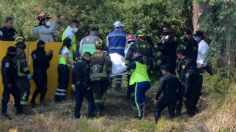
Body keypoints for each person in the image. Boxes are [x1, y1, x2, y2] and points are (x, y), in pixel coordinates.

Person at [126, 53, 151, 119]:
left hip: (140, 83)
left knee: (137, 99)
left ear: (135, 59)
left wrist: (129, 70)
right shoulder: (144, 65)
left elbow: (127, 67)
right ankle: (144, 110)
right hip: (147, 83)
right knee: (142, 97)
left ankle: (140, 115)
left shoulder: (135, 64)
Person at [90, 41, 112, 115]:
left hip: (93, 77)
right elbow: (108, 63)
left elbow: (89, 65)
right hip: (103, 77)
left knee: (97, 93)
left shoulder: (92, 55)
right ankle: (100, 107)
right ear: (102, 46)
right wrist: (109, 71)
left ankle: (97, 108)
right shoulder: (105, 54)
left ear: (95, 47)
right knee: (102, 92)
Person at [1, 46, 23, 119]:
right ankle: (3, 112)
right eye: (14, 53)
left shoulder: (11, 59)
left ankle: (19, 110)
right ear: (10, 52)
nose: (15, 54)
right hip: (8, 82)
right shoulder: (6, 60)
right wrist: (8, 82)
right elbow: (5, 72)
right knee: (6, 97)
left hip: (13, 81)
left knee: (17, 94)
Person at [30, 40, 53, 107]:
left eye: (43, 45)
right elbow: (37, 59)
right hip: (37, 73)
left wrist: (50, 54)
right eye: (42, 45)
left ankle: (42, 102)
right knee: (39, 87)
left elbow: (48, 59)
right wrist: (45, 55)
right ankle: (32, 101)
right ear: (39, 45)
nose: (43, 46)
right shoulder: (34, 52)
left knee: (45, 88)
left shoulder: (44, 52)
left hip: (43, 72)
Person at [73, 52, 95, 119]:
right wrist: (88, 85)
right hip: (84, 85)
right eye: (90, 58)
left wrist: (74, 83)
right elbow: (86, 75)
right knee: (91, 100)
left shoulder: (76, 63)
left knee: (78, 100)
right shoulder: (85, 64)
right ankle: (90, 116)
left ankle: (76, 115)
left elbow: (73, 73)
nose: (90, 59)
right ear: (87, 57)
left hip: (77, 84)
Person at [106, 21, 127, 91]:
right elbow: (126, 45)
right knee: (119, 71)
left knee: (110, 69)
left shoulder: (109, 35)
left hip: (111, 54)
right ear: (120, 27)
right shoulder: (124, 35)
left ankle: (109, 85)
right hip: (120, 54)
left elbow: (107, 45)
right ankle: (118, 87)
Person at [54, 38, 73, 102]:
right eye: (70, 42)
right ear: (68, 43)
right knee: (64, 82)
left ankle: (57, 96)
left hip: (61, 67)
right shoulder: (65, 49)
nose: (71, 44)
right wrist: (72, 65)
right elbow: (66, 58)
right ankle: (61, 97)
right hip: (64, 67)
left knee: (61, 82)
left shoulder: (63, 48)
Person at [15, 37, 32, 105]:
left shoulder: (14, 50)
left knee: (18, 90)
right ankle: (23, 106)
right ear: (20, 44)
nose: (24, 44)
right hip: (21, 74)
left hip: (15, 74)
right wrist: (28, 73)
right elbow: (23, 64)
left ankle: (17, 105)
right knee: (25, 90)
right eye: (23, 43)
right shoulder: (21, 51)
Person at [175, 49, 188, 115]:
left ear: (180, 54)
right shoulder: (181, 61)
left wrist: (181, 80)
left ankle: (190, 110)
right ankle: (178, 110)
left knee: (183, 96)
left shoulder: (184, 62)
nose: (177, 56)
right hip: (182, 81)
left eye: (177, 54)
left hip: (183, 82)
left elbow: (183, 73)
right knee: (179, 96)